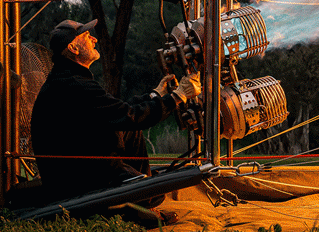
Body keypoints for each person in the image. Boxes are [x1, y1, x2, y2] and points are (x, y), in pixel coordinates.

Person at [30, 18, 201, 203]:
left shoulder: (68, 78)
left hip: (84, 163)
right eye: (87, 36)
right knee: (156, 193)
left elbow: (117, 111)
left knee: (128, 132)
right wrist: (178, 96)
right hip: (77, 180)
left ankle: (141, 185)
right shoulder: (74, 84)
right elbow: (130, 116)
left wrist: (155, 95)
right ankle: (143, 194)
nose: (94, 39)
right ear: (73, 48)